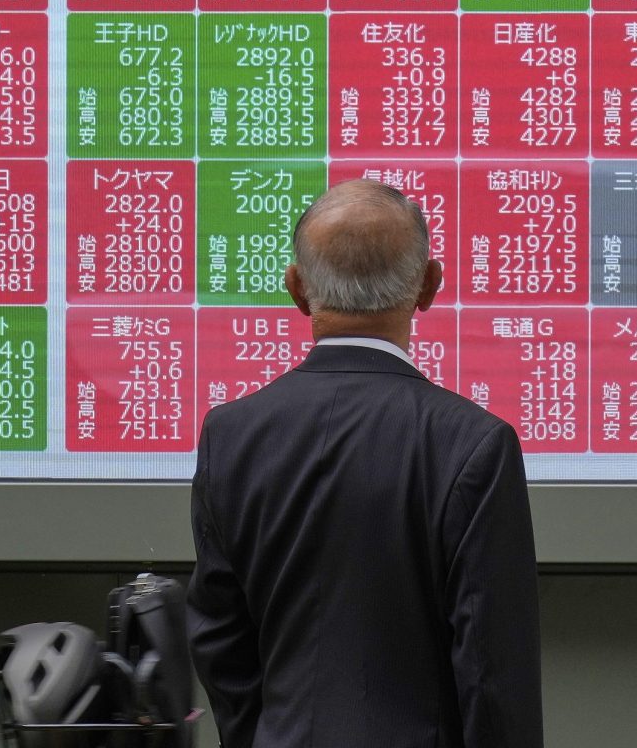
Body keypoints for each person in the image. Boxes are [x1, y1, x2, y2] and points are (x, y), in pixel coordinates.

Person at [187, 179, 543, 748]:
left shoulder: (230, 436)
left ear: (298, 289)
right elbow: (492, 673)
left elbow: (221, 643)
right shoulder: (475, 444)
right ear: (429, 285)